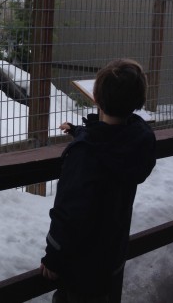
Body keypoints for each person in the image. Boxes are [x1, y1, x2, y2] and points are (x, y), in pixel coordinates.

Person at [40, 58, 157, 303]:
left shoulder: (86, 155)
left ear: (96, 98)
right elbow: (110, 138)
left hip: (80, 267)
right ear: (138, 100)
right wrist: (81, 131)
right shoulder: (137, 140)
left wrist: (54, 256)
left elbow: (69, 212)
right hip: (111, 256)